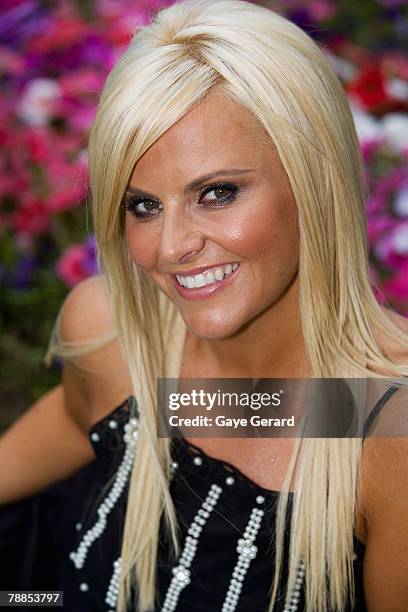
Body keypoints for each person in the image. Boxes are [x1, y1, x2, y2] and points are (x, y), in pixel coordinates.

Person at [1, 0, 408, 610]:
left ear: (314, 180)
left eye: (217, 193)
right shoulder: (114, 334)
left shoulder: (382, 425)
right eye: (142, 206)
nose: (171, 248)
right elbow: (78, 419)